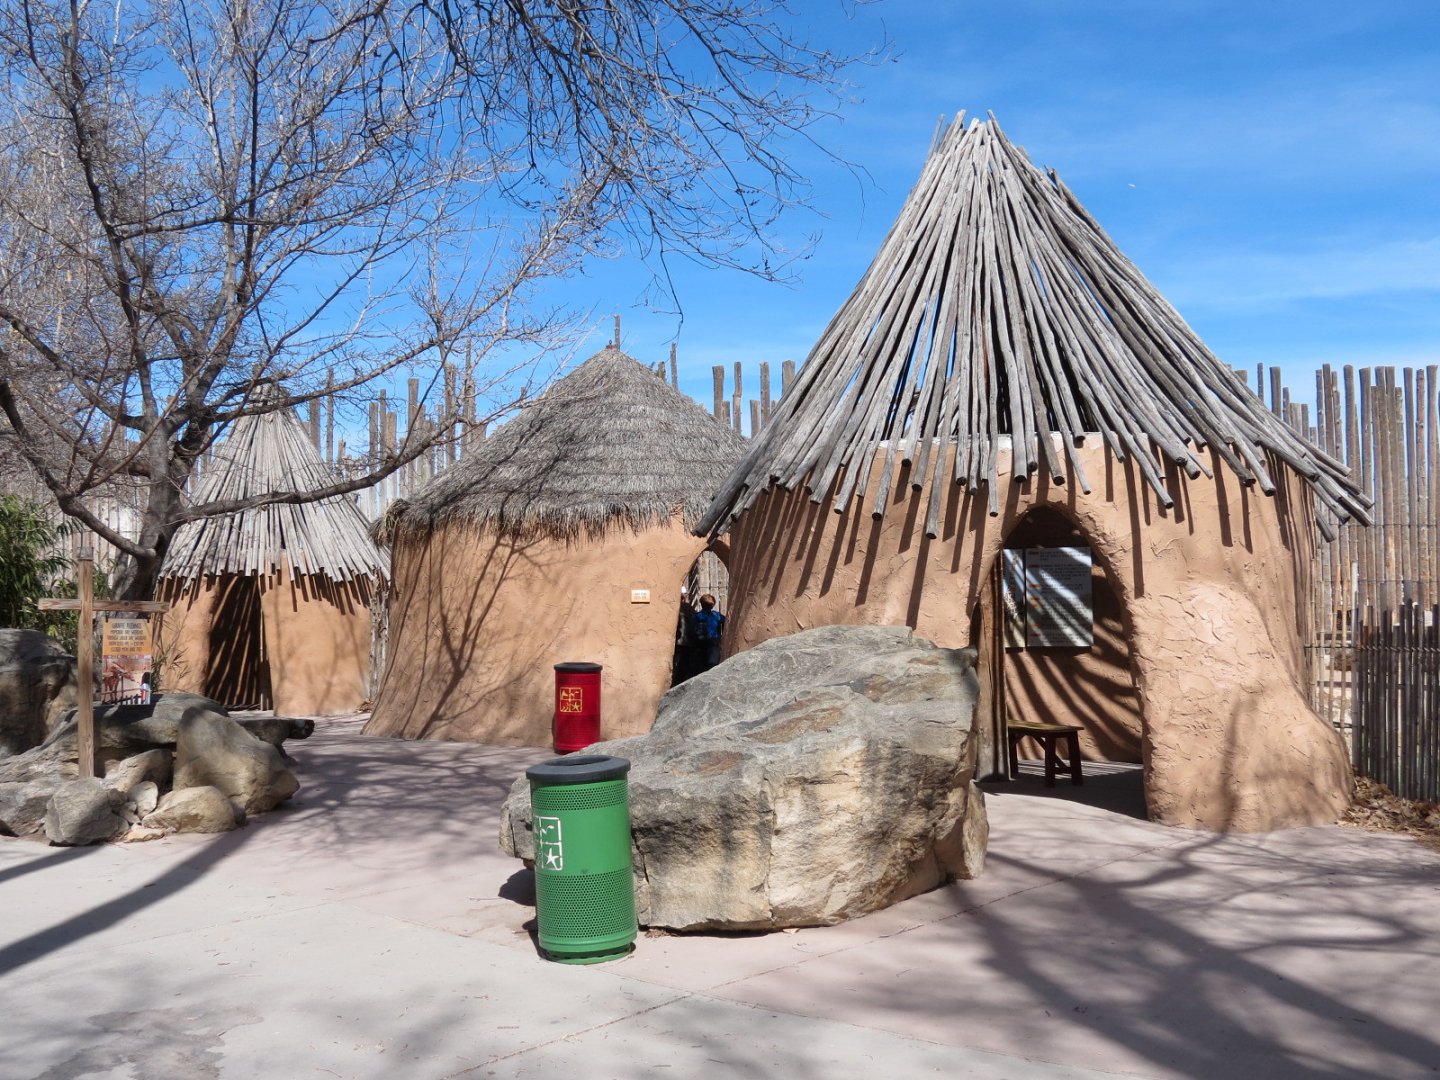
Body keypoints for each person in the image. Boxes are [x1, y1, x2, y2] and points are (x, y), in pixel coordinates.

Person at [692, 594, 725, 671]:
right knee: (713, 667)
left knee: (700, 668)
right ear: (713, 605)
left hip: (699, 645)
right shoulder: (717, 615)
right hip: (713, 644)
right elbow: (726, 622)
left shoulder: (696, 616)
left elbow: (691, 630)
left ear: (701, 604)